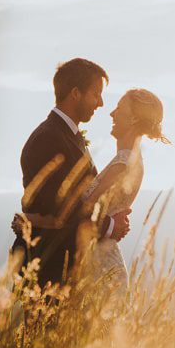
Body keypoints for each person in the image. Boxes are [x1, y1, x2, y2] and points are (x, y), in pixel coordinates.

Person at [10, 58, 131, 289]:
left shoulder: (67, 136)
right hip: (48, 267)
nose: (101, 103)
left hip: (65, 266)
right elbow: (59, 208)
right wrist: (108, 225)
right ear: (75, 93)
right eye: (96, 94)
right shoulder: (48, 138)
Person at [78, 89, 168, 296]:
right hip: (99, 264)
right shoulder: (129, 160)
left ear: (134, 118)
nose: (112, 114)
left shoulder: (123, 164)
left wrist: (33, 219)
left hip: (101, 270)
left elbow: (84, 210)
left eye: (119, 108)